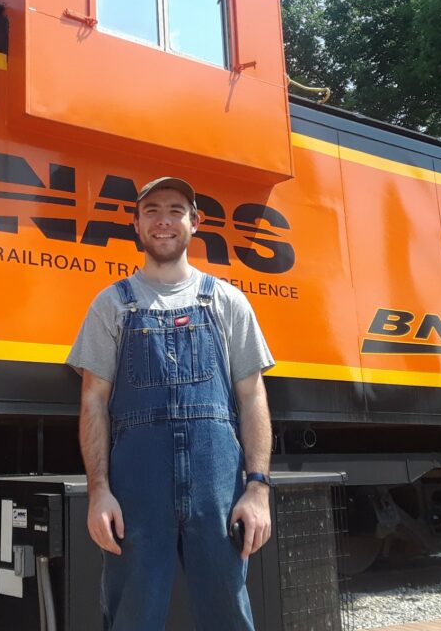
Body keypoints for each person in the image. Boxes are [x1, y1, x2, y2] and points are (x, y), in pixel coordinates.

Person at [68, 176, 275, 631]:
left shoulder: (228, 301)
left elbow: (252, 396)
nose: (163, 221)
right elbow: (93, 402)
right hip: (136, 489)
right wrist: (98, 491)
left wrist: (257, 489)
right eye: (152, 211)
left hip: (217, 488)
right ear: (137, 224)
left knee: (228, 613)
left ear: (195, 222)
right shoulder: (111, 305)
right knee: (132, 616)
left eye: (176, 210)